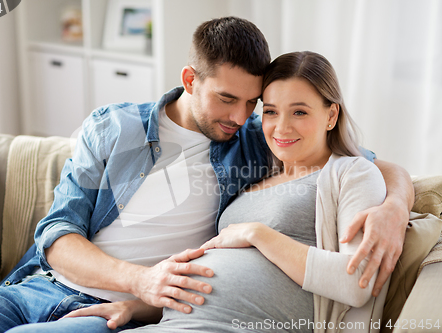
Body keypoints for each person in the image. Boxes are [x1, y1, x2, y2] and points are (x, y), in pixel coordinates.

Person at [0, 17, 412, 333]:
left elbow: (355, 159)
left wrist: (393, 206)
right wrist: (140, 281)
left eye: (253, 103)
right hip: (36, 286)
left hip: (110, 314)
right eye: (227, 99)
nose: (242, 115)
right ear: (191, 80)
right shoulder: (115, 127)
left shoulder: (256, 136)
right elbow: (58, 234)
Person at [56, 51, 400, 333]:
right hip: (166, 320)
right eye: (269, 111)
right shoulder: (256, 172)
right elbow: (212, 269)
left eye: (300, 111)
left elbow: (356, 285)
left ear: (331, 115)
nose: (281, 127)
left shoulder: (349, 173)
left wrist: (257, 233)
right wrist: (135, 306)